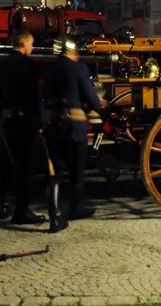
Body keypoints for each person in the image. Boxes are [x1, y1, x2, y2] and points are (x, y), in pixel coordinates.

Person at [40, 36, 106, 232]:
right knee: (77, 172)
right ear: (71, 51)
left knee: (56, 173)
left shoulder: (50, 72)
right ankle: (77, 207)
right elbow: (89, 96)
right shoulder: (79, 69)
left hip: (54, 127)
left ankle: (55, 216)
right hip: (74, 128)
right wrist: (102, 109)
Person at [0, 29, 45, 224]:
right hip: (24, 121)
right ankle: (22, 210)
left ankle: (4, 205)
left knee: (5, 164)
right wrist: (40, 122)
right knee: (24, 166)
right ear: (23, 44)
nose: (32, 47)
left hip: (6, 120)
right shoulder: (28, 66)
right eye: (31, 44)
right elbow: (34, 96)